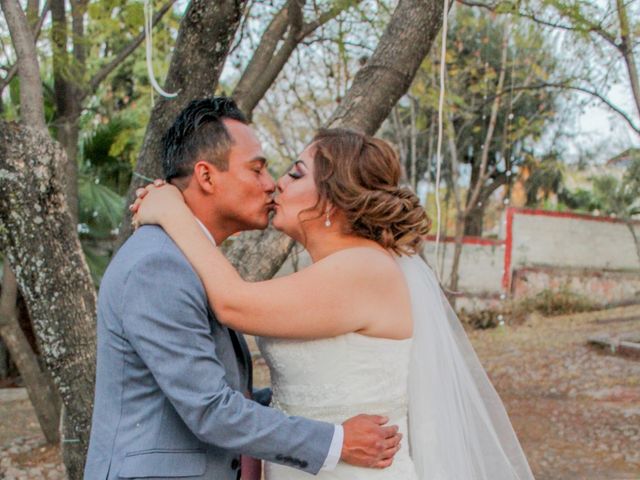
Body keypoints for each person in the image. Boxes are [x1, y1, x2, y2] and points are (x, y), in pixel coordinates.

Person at [132, 125, 536, 479]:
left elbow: (233, 304)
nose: (277, 185)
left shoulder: (364, 269)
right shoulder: (334, 270)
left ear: (331, 199)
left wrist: (174, 213)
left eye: (295, 173)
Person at [83, 97, 403, 480]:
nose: (272, 185)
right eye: (257, 169)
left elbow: (223, 383)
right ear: (206, 176)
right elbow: (210, 409)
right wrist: (335, 439)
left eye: (289, 174)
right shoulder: (159, 264)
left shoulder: (193, 259)